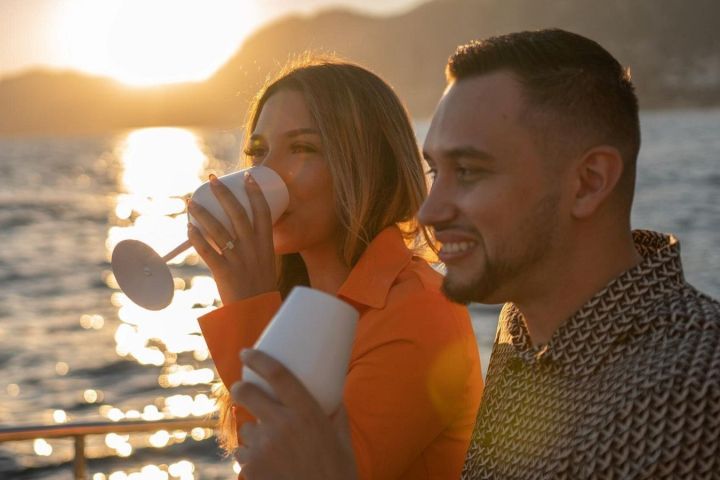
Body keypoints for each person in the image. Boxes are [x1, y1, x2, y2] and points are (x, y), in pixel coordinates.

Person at [230, 29, 720, 479]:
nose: (429, 209)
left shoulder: (695, 385)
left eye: (468, 171)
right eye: (436, 171)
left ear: (588, 182)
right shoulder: (521, 333)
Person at [187, 57, 483, 479]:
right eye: (258, 152)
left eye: (303, 148)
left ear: (367, 165)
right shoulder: (299, 305)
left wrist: (249, 305)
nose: (262, 174)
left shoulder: (419, 309)